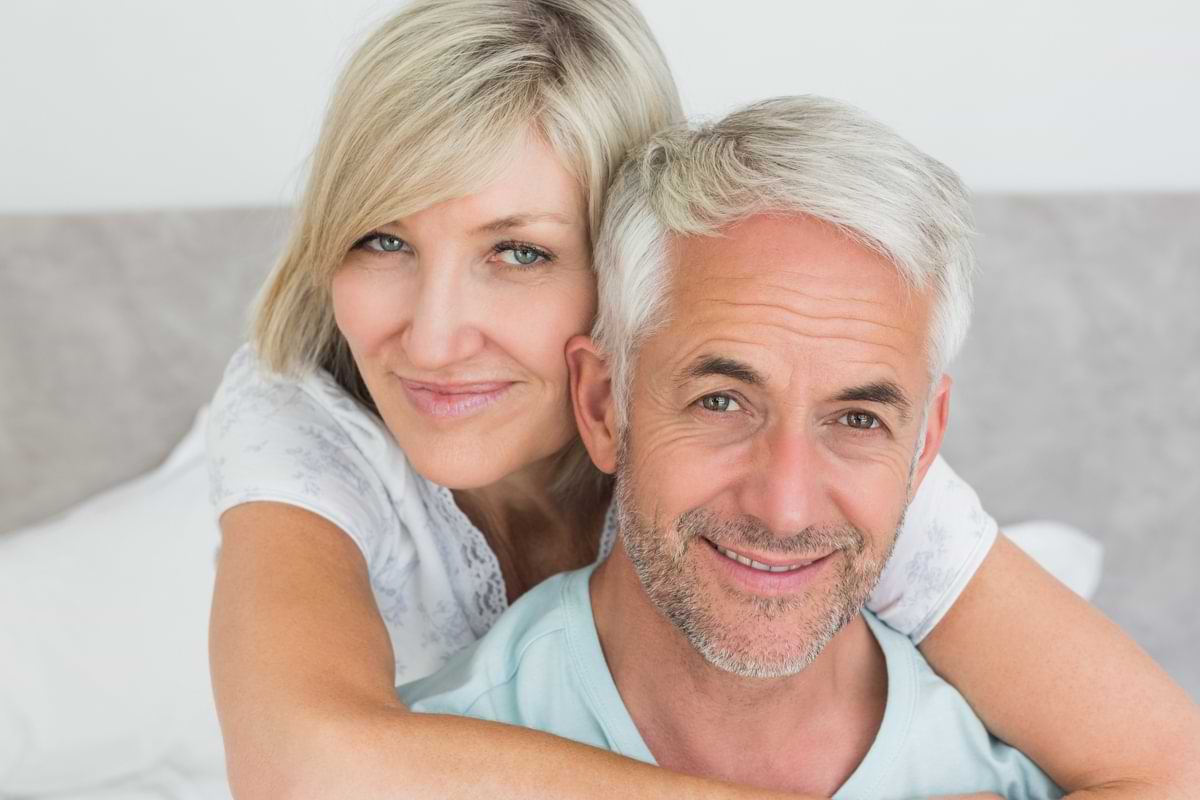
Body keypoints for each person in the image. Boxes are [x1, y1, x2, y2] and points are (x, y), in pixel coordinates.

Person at [205, 1, 1200, 797]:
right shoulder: (303, 418)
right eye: (380, 238)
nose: (430, 337)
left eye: (519, 251)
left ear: (622, 273)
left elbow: (1169, 759)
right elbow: (303, 765)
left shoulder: (813, 463)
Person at [398, 94, 1066, 798]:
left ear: (924, 442)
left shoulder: (1026, 771)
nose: (785, 510)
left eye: (859, 419)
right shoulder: (417, 767)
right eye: (721, 402)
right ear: (602, 406)